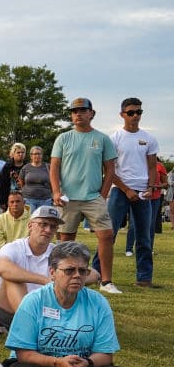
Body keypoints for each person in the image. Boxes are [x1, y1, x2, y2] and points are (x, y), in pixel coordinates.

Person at [5, 241, 135, 367]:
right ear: (52, 272)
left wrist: (87, 363)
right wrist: (58, 363)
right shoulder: (33, 301)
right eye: (69, 270)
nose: (77, 276)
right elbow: (23, 354)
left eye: (82, 271)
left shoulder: (98, 302)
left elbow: (106, 355)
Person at [49, 97, 121, 294]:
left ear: (92, 113)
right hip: (68, 198)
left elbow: (110, 169)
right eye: (74, 111)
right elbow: (54, 167)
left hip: (93, 197)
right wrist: (56, 191)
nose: (77, 114)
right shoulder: (63, 138)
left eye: (82, 110)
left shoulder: (102, 139)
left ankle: (106, 281)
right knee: (66, 239)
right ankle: (63, 277)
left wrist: (103, 195)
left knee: (106, 235)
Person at [108, 97, 159, 288]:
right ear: (122, 115)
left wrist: (150, 188)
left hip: (143, 192)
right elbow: (110, 171)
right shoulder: (114, 138)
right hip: (120, 191)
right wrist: (126, 189)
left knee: (145, 235)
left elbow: (153, 167)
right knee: (109, 234)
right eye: (131, 112)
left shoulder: (149, 138)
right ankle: (98, 273)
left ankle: (144, 278)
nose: (135, 116)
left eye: (139, 112)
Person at [18, 146, 51, 212]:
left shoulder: (48, 167)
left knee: (44, 220)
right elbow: (21, 181)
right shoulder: (26, 168)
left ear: (42, 155)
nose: (37, 156)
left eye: (39, 154)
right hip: (29, 199)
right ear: (31, 156)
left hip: (45, 199)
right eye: (35, 154)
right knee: (30, 220)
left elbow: (53, 181)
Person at [0, 143, 26, 212]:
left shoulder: (28, 166)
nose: (20, 154)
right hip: (10, 197)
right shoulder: (7, 167)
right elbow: (2, 185)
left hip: (25, 198)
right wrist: (2, 201)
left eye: (22, 152)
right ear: (13, 154)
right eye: (18, 152)